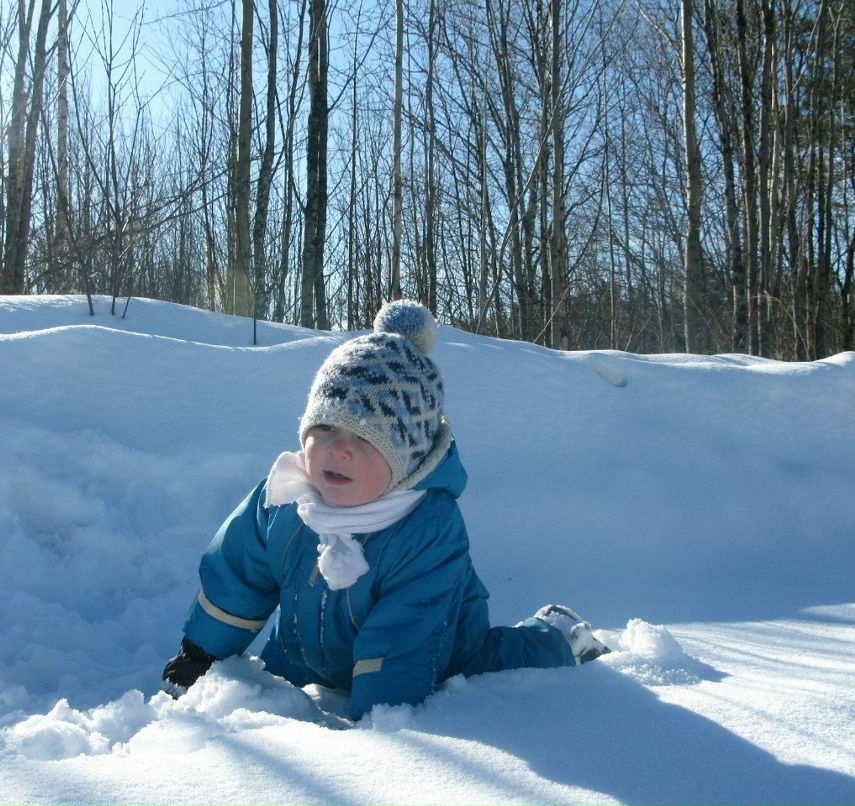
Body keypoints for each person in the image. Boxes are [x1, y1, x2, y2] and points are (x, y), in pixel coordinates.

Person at [162, 299, 608, 719]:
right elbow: (236, 578)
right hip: (300, 657)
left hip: (436, 652)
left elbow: (405, 637)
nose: (339, 450)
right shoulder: (283, 498)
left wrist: (378, 725)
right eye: (326, 427)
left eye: (365, 438)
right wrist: (201, 653)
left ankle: (556, 636)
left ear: (406, 461)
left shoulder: (425, 529)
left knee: (494, 662)